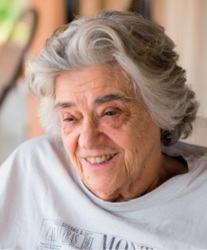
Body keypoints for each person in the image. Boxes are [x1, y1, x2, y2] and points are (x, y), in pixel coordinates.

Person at [0, 10, 206, 250]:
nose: (87, 141)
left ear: (161, 109)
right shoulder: (32, 168)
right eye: (70, 118)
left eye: (110, 113)